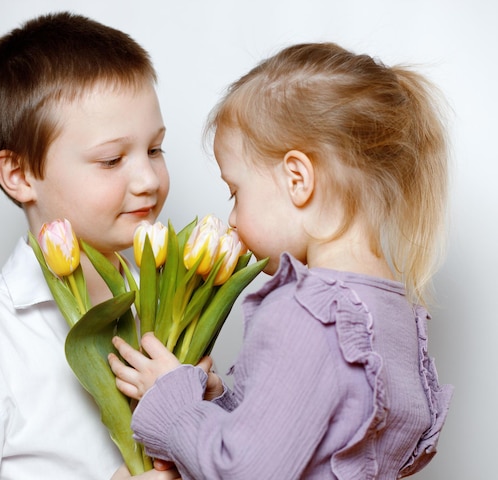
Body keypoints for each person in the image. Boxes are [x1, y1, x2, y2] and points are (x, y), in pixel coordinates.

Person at [108, 42, 453, 479]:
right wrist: (220, 405)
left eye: (236, 192)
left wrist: (169, 400)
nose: (232, 219)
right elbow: (311, 439)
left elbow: (246, 471)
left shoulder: (304, 312)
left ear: (298, 179)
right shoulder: (393, 311)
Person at [0, 12, 179, 480]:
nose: (148, 179)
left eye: (156, 149)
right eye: (111, 159)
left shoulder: (172, 307)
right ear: (20, 175)